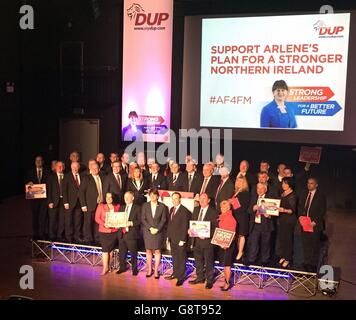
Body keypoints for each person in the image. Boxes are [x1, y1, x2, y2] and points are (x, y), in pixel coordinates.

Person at [188, 193, 218, 289]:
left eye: (204, 199)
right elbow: (193, 223)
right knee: (198, 261)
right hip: (196, 241)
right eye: (200, 199)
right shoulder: (196, 209)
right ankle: (200, 278)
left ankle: (209, 280)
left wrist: (207, 235)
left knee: (209, 262)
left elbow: (216, 227)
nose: (202, 201)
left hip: (207, 241)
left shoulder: (214, 212)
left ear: (208, 200)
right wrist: (190, 230)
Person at [298, 177, 326, 272]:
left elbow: (322, 211)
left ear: (316, 185)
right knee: (306, 244)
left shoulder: (321, 196)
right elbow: (300, 206)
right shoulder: (304, 193)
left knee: (314, 245)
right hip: (304, 223)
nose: (309, 185)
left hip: (314, 225)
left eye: (312, 183)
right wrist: (300, 218)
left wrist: (314, 222)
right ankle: (306, 263)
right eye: (308, 183)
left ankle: (313, 265)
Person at [141, 188, 168, 279]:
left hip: (158, 232)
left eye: (154, 195)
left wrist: (157, 229)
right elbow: (143, 219)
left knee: (157, 251)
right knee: (148, 250)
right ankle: (149, 270)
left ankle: (156, 271)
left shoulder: (163, 206)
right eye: (150, 195)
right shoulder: (145, 205)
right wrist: (150, 228)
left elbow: (164, 219)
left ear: (157, 196)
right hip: (148, 231)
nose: (152, 196)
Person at [166, 192, 191, 286]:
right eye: (173, 198)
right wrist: (168, 237)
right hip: (172, 239)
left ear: (180, 199)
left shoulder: (184, 211)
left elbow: (185, 226)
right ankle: (175, 273)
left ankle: (181, 277)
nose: (174, 200)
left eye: (176, 198)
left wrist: (183, 239)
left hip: (180, 240)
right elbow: (170, 224)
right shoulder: (172, 209)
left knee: (181, 259)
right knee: (175, 258)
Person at [247, 183, 275, 266]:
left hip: (266, 225)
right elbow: (249, 210)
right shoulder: (254, 198)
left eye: (261, 188)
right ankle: (251, 260)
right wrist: (253, 208)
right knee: (253, 243)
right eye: (258, 188)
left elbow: (274, 211)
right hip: (255, 224)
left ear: (265, 189)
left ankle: (265, 260)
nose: (259, 190)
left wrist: (269, 215)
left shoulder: (270, 199)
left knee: (265, 243)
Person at [79, 162, 105, 245]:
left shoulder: (102, 177)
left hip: (100, 204)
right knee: (88, 223)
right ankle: (88, 239)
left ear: (99, 169)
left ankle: (97, 239)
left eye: (96, 168)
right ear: (90, 169)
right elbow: (81, 192)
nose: (94, 170)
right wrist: (83, 205)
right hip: (89, 205)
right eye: (93, 168)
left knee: (98, 222)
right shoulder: (86, 178)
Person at [94, 193, 120, 275]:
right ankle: (105, 268)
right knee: (105, 250)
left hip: (114, 231)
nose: (108, 198)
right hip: (104, 231)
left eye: (110, 197)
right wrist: (104, 224)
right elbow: (97, 218)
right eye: (107, 197)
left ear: (113, 198)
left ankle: (109, 266)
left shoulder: (117, 206)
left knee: (111, 250)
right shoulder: (101, 206)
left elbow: (119, 218)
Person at [117, 191, 141, 276]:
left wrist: (131, 223)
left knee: (133, 254)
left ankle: (134, 270)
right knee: (122, 253)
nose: (126, 199)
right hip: (122, 234)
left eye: (128, 197)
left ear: (133, 198)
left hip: (131, 234)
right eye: (125, 197)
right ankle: (122, 268)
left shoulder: (137, 208)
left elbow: (140, 220)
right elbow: (118, 219)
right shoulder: (121, 208)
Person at [26, 155, 50, 240]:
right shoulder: (30, 172)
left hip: (44, 199)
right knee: (35, 216)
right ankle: (35, 233)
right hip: (34, 199)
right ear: (35, 162)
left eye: (40, 160)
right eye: (37, 161)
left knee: (43, 216)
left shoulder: (48, 171)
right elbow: (27, 185)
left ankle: (42, 233)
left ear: (42, 162)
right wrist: (28, 184)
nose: (38, 162)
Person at [276, 177, 297, 269]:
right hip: (282, 220)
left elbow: (292, 210)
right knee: (282, 239)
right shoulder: (283, 194)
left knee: (288, 240)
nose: (283, 185)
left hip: (289, 221)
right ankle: (283, 256)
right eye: (283, 183)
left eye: (285, 183)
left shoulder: (292, 195)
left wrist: (283, 210)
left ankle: (288, 258)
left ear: (290, 184)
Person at [216, 200, 237, 291]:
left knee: (227, 265)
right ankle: (226, 282)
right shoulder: (221, 216)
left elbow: (232, 233)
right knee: (225, 265)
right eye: (221, 207)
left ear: (229, 208)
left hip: (228, 245)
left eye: (225, 207)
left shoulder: (231, 218)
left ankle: (227, 283)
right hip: (222, 244)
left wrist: (225, 244)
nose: (223, 208)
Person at [62, 161, 84, 243]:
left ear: (79, 167)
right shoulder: (67, 176)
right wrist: (65, 202)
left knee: (78, 220)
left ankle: (77, 236)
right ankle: (69, 237)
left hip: (79, 202)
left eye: (76, 167)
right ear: (71, 167)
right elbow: (64, 190)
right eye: (73, 167)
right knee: (69, 220)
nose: (75, 168)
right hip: (70, 202)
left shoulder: (82, 176)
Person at [231, 176, 250, 263]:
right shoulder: (235, 192)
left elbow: (244, 207)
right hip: (235, 216)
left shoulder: (245, 193)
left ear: (244, 183)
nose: (239, 183)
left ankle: (240, 251)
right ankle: (238, 251)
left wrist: (233, 203)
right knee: (237, 235)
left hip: (242, 217)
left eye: (241, 182)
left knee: (241, 235)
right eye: (238, 181)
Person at [47, 161, 65, 242]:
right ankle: (52, 235)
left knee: (62, 219)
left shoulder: (66, 176)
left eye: (61, 166)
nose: (60, 167)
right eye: (58, 166)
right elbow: (49, 190)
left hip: (64, 201)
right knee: (53, 219)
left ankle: (59, 235)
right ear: (55, 167)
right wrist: (50, 201)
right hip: (53, 201)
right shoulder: (51, 177)